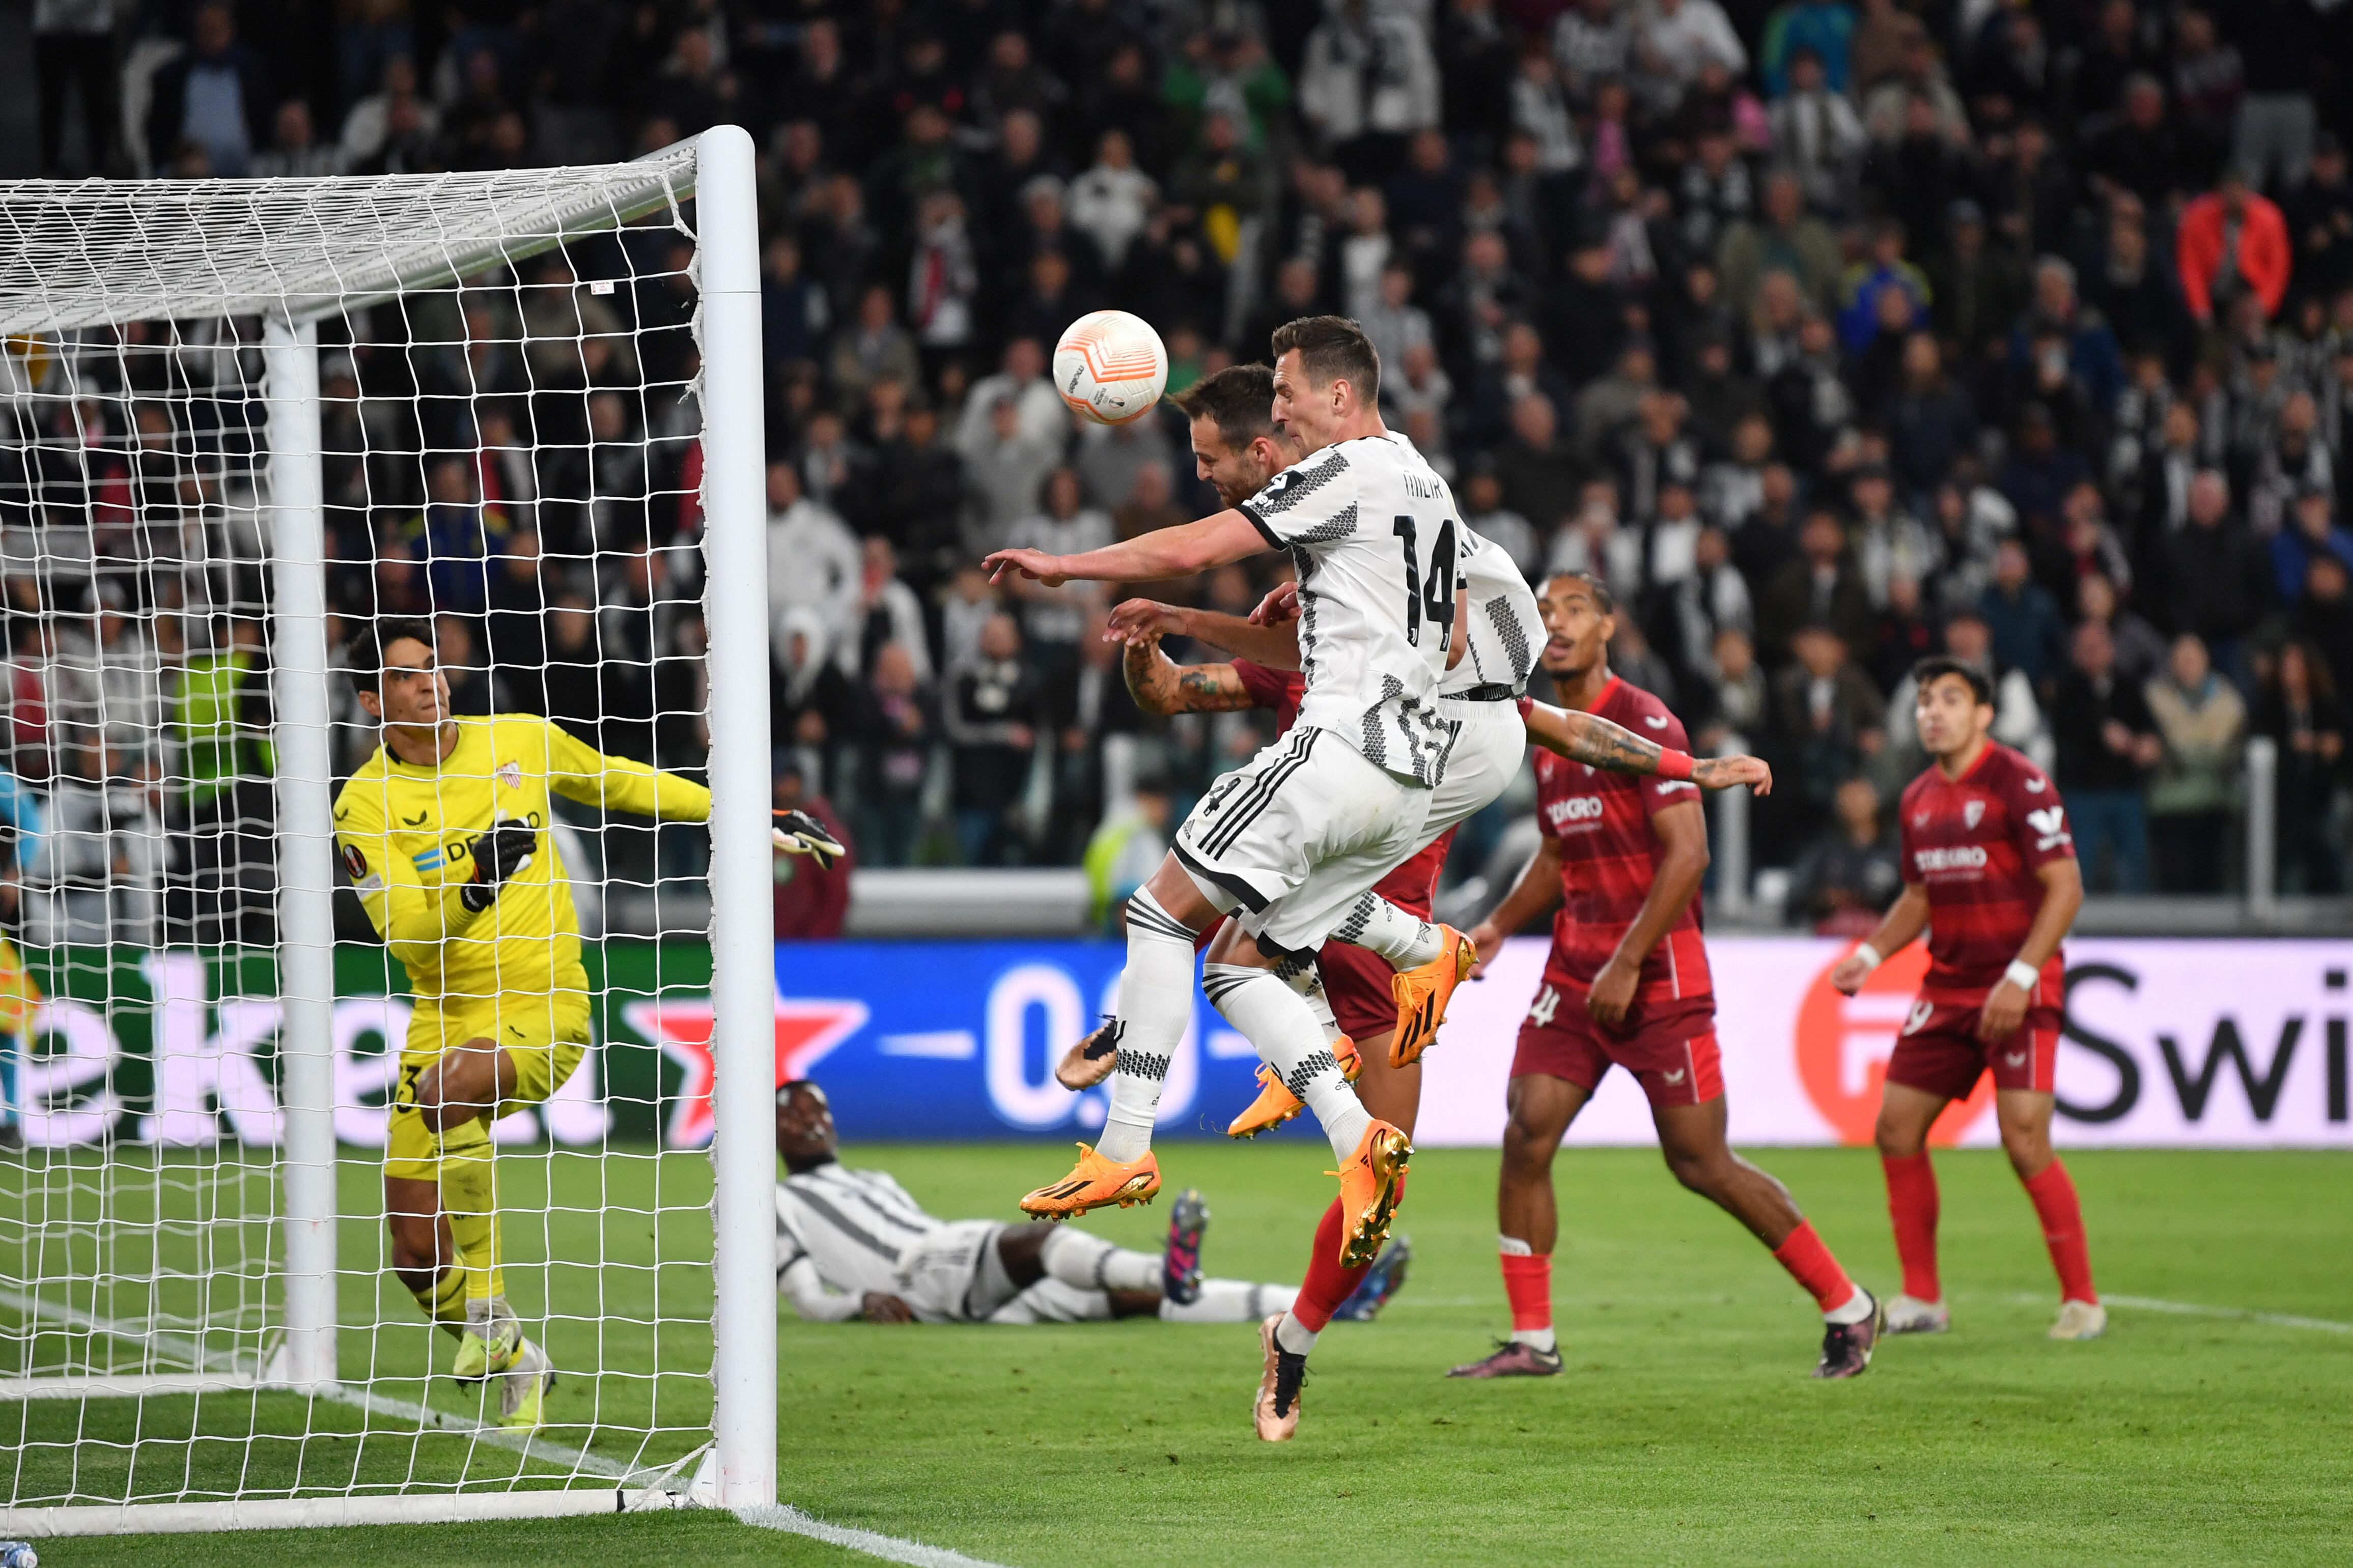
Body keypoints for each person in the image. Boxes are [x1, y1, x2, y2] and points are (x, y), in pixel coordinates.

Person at [1094, 363, 1769, 1438]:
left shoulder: (1476, 680)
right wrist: (1152, 647)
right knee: (1233, 944)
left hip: (1387, 956)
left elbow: (1569, 729)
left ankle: (1292, 1342)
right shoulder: (1324, 639)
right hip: (1330, 910)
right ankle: (1143, 1046)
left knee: (1379, 1186)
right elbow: (1177, 692)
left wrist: (1689, 768)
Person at [1451, 571, 1879, 1381]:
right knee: (1525, 1128)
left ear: (1609, 625)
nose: (1557, 621)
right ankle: (1531, 1339)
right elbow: (1555, 850)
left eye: (1575, 607)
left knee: (1699, 1162)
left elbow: (1689, 855)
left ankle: (1847, 1304)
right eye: (1544, 611)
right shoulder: (1547, 734)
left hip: (1655, 977)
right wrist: (1500, 926)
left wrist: (1626, 961)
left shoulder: (1644, 720)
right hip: (1575, 971)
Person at [334, 618, 718, 1429]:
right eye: (404, 676)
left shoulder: (519, 738)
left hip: (546, 1002)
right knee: (411, 1250)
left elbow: (619, 781)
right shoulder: (364, 804)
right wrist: (473, 880)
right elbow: (404, 931)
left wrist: (742, 812)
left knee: (450, 1094)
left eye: (432, 666)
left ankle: (488, 1306)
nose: (428, 682)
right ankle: (517, 1357)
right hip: (443, 1016)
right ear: (373, 700)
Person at [1831, 655, 2100, 1343]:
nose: (1933, 712)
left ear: (1983, 713)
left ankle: (2081, 1300)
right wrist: (1868, 954)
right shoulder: (1918, 796)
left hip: (2019, 982)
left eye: (1950, 699)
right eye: (1924, 700)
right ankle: (1922, 1296)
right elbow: (1918, 896)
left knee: (2023, 1139)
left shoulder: (2020, 781)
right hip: (1946, 988)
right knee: (1894, 1129)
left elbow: (2064, 885)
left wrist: (2019, 977)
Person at [771, 1081, 1393, 1327]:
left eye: (817, 1108)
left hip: (959, 1277)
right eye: (793, 1113)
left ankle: (1330, 1307)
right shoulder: (772, 1201)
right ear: (768, 1132)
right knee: (1042, 1240)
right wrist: (860, 1303)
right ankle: (1166, 1269)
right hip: (916, 1275)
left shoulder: (873, 1179)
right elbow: (803, 1298)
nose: (812, 1120)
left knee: (1136, 1302)